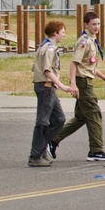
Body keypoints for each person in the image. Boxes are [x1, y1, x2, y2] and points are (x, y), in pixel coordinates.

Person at [49, 11, 105, 162]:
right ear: (86, 24)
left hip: (87, 79)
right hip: (82, 82)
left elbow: (89, 64)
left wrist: (103, 77)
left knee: (81, 117)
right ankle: (96, 151)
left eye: (98, 24)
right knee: (94, 113)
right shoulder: (84, 41)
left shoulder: (92, 39)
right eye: (93, 24)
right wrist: (73, 84)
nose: (96, 27)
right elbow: (75, 63)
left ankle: (52, 140)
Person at [28, 20, 74, 167]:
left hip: (49, 87)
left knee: (59, 119)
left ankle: (43, 148)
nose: (64, 35)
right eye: (62, 32)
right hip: (45, 87)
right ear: (55, 33)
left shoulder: (49, 46)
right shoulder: (48, 48)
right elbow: (47, 70)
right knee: (42, 122)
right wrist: (61, 85)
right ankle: (36, 155)